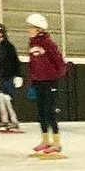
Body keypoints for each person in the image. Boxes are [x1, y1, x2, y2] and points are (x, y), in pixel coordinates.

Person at [26, 13, 68, 155]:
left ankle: (56, 143)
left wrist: (55, 77)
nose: (29, 30)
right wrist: (33, 81)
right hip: (39, 82)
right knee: (41, 112)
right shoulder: (32, 44)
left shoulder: (48, 43)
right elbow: (33, 65)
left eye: (31, 27)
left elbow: (59, 62)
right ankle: (45, 140)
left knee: (50, 112)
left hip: (50, 82)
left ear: (38, 29)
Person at [0, 22, 23, 133]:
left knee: (8, 98)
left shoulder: (8, 46)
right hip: (2, 76)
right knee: (1, 96)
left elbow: (16, 61)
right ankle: (4, 121)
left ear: (0, 34)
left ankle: (14, 121)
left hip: (10, 75)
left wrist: (18, 75)